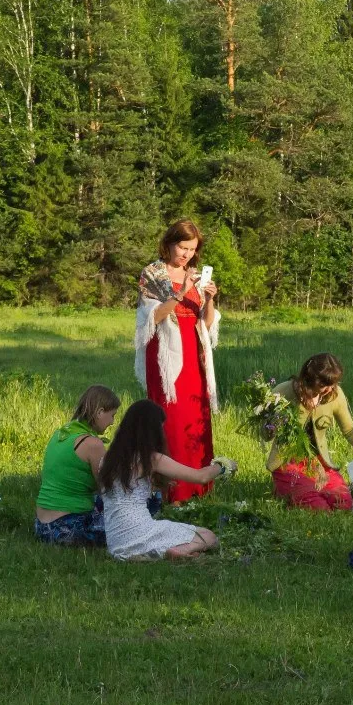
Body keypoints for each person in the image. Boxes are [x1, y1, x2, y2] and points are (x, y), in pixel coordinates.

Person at [135, 219, 220, 505]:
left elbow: (205, 325)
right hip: (166, 357)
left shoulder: (196, 277)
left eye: (192, 249)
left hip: (193, 356)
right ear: (169, 243)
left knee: (194, 420)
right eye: (182, 247)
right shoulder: (153, 273)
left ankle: (198, 489)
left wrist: (209, 300)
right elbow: (153, 318)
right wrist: (180, 292)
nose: (186, 254)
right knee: (170, 419)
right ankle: (171, 492)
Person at [97, 399, 234, 561]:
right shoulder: (151, 459)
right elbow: (201, 477)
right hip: (141, 530)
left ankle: (147, 554)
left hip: (116, 542)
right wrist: (223, 466)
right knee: (208, 536)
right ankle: (181, 550)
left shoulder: (106, 460)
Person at [267, 353, 353, 511]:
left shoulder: (335, 394)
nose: (330, 389)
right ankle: (286, 490)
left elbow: (350, 429)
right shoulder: (284, 392)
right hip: (288, 462)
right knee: (318, 508)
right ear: (310, 378)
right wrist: (273, 424)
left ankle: (298, 490)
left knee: (343, 504)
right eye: (324, 385)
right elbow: (264, 433)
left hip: (320, 463)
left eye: (333, 384)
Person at [34, 385, 122, 547]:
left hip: (42, 526)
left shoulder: (61, 434)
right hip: (67, 528)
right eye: (112, 415)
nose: (112, 422)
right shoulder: (92, 444)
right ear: (100, 412)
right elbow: (108, 489)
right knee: (128, 523)